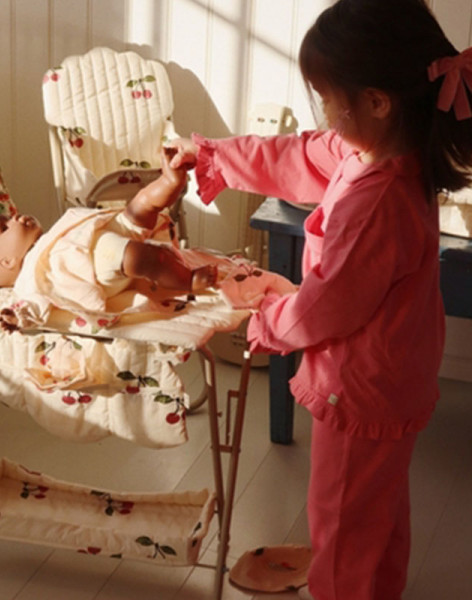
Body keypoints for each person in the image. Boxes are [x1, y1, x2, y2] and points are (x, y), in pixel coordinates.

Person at [167, 1, 472, 599]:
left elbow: (326, 307)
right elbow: (298, 154)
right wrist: (215, 157)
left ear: (377, 101)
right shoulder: (382, 154)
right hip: (392, 377)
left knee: (340, 528)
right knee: (377, 518)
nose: (324, 114)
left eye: (327, 98)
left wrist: (265, 318)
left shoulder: (376, 200)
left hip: (360, 388)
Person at [0, 148, 218, 319]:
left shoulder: (50, 235)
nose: (15, 217)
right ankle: (187, 280)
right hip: (97, 263)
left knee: (141, 205)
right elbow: (33, 307)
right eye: (5, 226)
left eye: (9, 217)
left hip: (101, 234)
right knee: (139, 256)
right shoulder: (29, 279)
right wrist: (16, 317)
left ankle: (170, 182)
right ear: (7, 262)